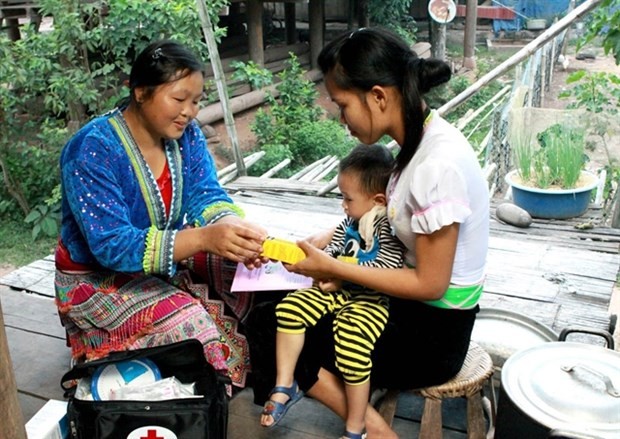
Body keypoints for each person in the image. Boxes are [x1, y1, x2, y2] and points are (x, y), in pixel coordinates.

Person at [246, 26, 489, 439]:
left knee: (269, 326)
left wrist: (339, 270)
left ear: (378, 96)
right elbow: (392, 222)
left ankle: (373, 430)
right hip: (414, 310)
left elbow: (431, 283)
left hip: (432, 336)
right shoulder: (418, 142)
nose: (342, 120)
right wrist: (329, 242)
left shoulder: (436, 165)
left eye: (342, 106)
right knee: (270, 298)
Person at [54, 39, 268, 392]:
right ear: (140, 92)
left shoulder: (187, 137)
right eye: (179, 99)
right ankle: (102, 345)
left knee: (244, 270)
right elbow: (112, 246)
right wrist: (201, 238)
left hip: (163, 261)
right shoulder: (90, 149)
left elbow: (205, 193)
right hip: (96, 278)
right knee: (192, 326)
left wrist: (230, 227)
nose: (190, 111)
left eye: (197, 101)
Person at [260, 144, 405, 438]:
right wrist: (309, 260)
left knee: (352, 348)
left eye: (347, 198)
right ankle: (285, 383)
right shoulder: (348, 222)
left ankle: (356, 427)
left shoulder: (387, 230)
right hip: (338, 288)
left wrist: (338, 275)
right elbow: (335, 250)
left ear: (378, 200)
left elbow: (386, 269)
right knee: (289, 308)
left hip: (369, 298)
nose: (343, 205)